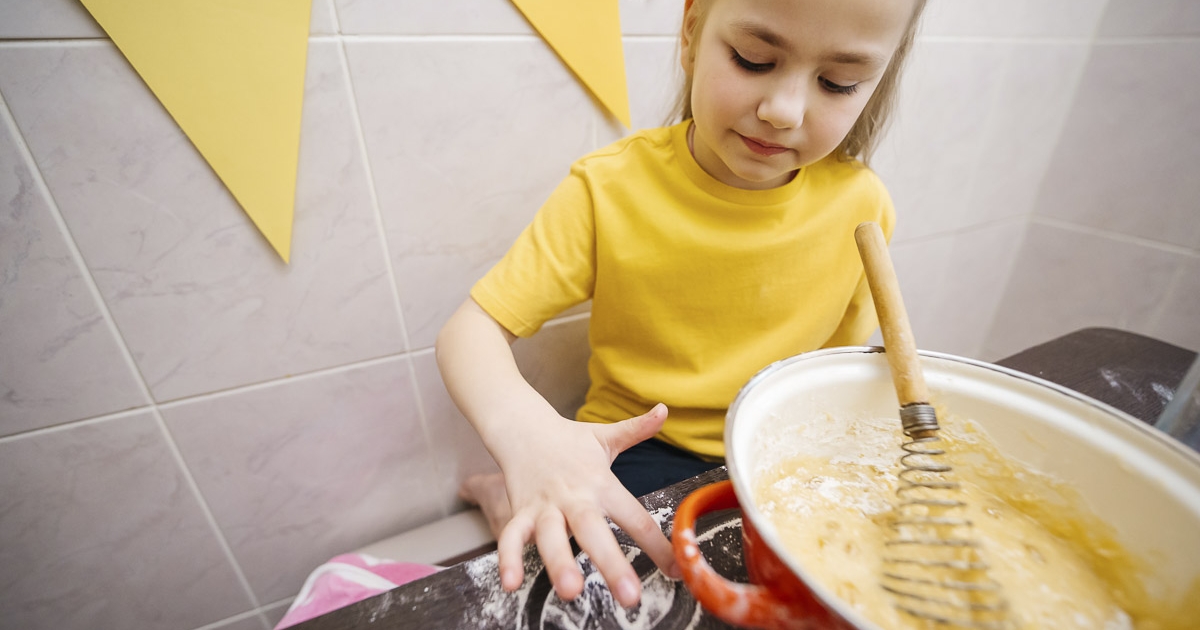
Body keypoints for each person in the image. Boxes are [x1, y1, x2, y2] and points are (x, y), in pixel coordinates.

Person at [436, 0, 926, 610]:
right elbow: (471, 329)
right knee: (588, 584)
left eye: (838, 83)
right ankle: (499, 493)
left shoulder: (864, 207)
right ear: (693, 33)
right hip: (643, 446)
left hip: (776, 448)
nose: (783, 111)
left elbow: (836, 372)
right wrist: (525, 435)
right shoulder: (609, 188)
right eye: (753, 60)